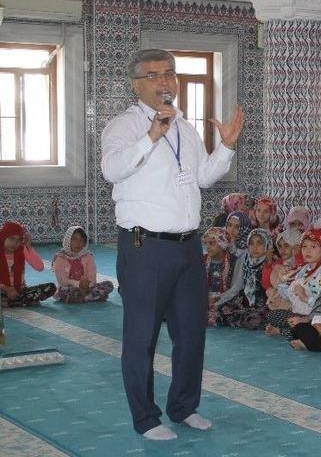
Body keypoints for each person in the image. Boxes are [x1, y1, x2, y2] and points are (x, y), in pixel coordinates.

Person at [100, 48, 244, 440]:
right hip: (145, 248)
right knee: (141, 336)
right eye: (154, 75)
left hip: (186, 247)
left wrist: (226, 147)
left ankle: (183, 407)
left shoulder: (184, 127)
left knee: (191, 333)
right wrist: (151, 135)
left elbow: (203, 178)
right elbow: (111, 169)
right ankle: (146, 418)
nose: (165, 82)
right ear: (136, 84)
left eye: (170, 73)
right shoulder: (123, 127)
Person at [52, 226, 114, 304]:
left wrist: (88, 286)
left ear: (84, 242)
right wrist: (79, 284)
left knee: (109, 285)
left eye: (81, 240)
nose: (78, 242)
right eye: (74, 239)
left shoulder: (88, 256)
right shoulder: (60, 257)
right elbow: (62, 281)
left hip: (88, 288)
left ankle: (82, 297)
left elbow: (92, 278)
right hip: (68, 288)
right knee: (67, 291)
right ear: (68, 241)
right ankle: (92, 296)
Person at [1, 221, 56, 307]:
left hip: (20, 290)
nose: (15, 243)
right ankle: (20, 301)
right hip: (2, 290)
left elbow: (40, 267)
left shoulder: (22, 250)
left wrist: (29, 247)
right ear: (4, 237)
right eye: (11, 239)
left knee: (50, 288)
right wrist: (6, 288)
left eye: (19, 240)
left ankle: (11, 302)